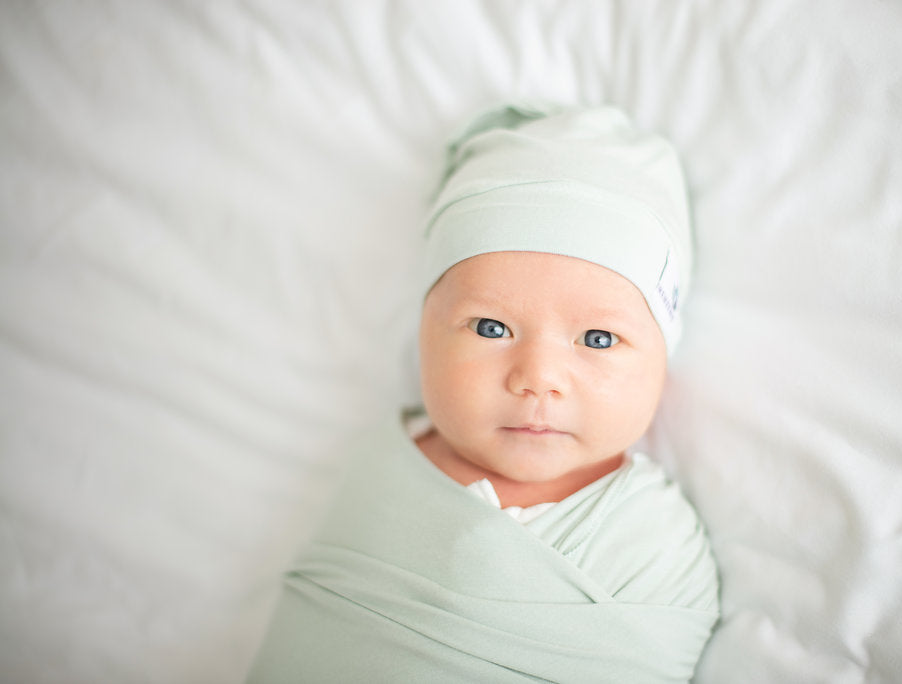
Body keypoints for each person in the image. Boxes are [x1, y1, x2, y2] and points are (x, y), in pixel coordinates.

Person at [247, 104, 719, 683]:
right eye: (491, 328)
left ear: (663, 360)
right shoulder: (377, 471)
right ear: (423, 331)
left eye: (598, 338)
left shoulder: (655, 545)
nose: (537, 377)